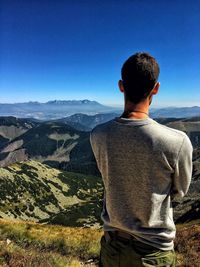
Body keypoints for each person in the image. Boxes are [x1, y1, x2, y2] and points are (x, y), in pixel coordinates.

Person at [90, 52, 193, 267]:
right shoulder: (177, 141)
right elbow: (179, 191)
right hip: (153, 252)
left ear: (120, 86)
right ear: (156, 88)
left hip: (112, 247)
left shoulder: (98, 134)